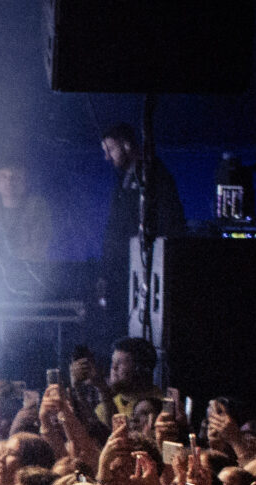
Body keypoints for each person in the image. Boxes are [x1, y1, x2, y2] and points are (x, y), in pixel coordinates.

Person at [97, 122, 185, 334]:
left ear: (127, 145)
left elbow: (170, 222)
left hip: (144, 275)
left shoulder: (155, 177)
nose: (107, 157)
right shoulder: (123, 182)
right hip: (122, 273)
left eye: (111, 150)